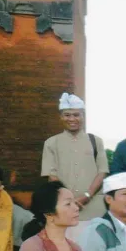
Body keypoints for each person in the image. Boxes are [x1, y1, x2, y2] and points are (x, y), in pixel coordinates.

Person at [41, 92, 109, 241]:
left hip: (94, 210)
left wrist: (86, 196)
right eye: (67, 115)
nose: (72, 119)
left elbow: (102, 171)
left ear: (83, 116)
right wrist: (69, 200)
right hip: (65, 213)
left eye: (76, 115)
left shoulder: (96, 141)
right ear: (60, 117)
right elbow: (52, 176)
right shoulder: (51, 143)